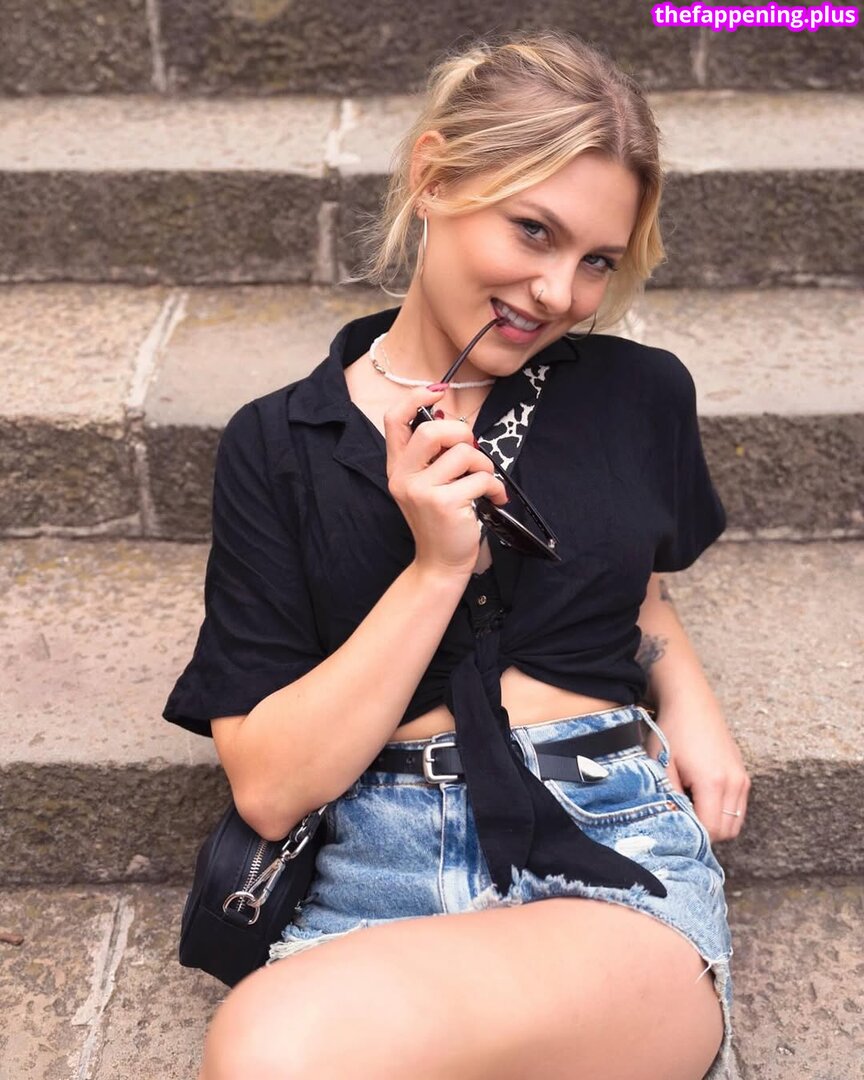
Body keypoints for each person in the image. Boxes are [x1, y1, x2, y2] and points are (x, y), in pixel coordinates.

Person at [164, 29, 750, 1080]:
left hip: (607, 842)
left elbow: (637, 589)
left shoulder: (638, 394)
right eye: (534, 231)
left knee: (273, 1047)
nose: (559, 292)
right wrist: (435, 569)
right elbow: (271, 786)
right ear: (434, 177)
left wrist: (693, 707)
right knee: (273, 1052)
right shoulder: (278, 442)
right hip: (373, 875)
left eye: (596, 260)